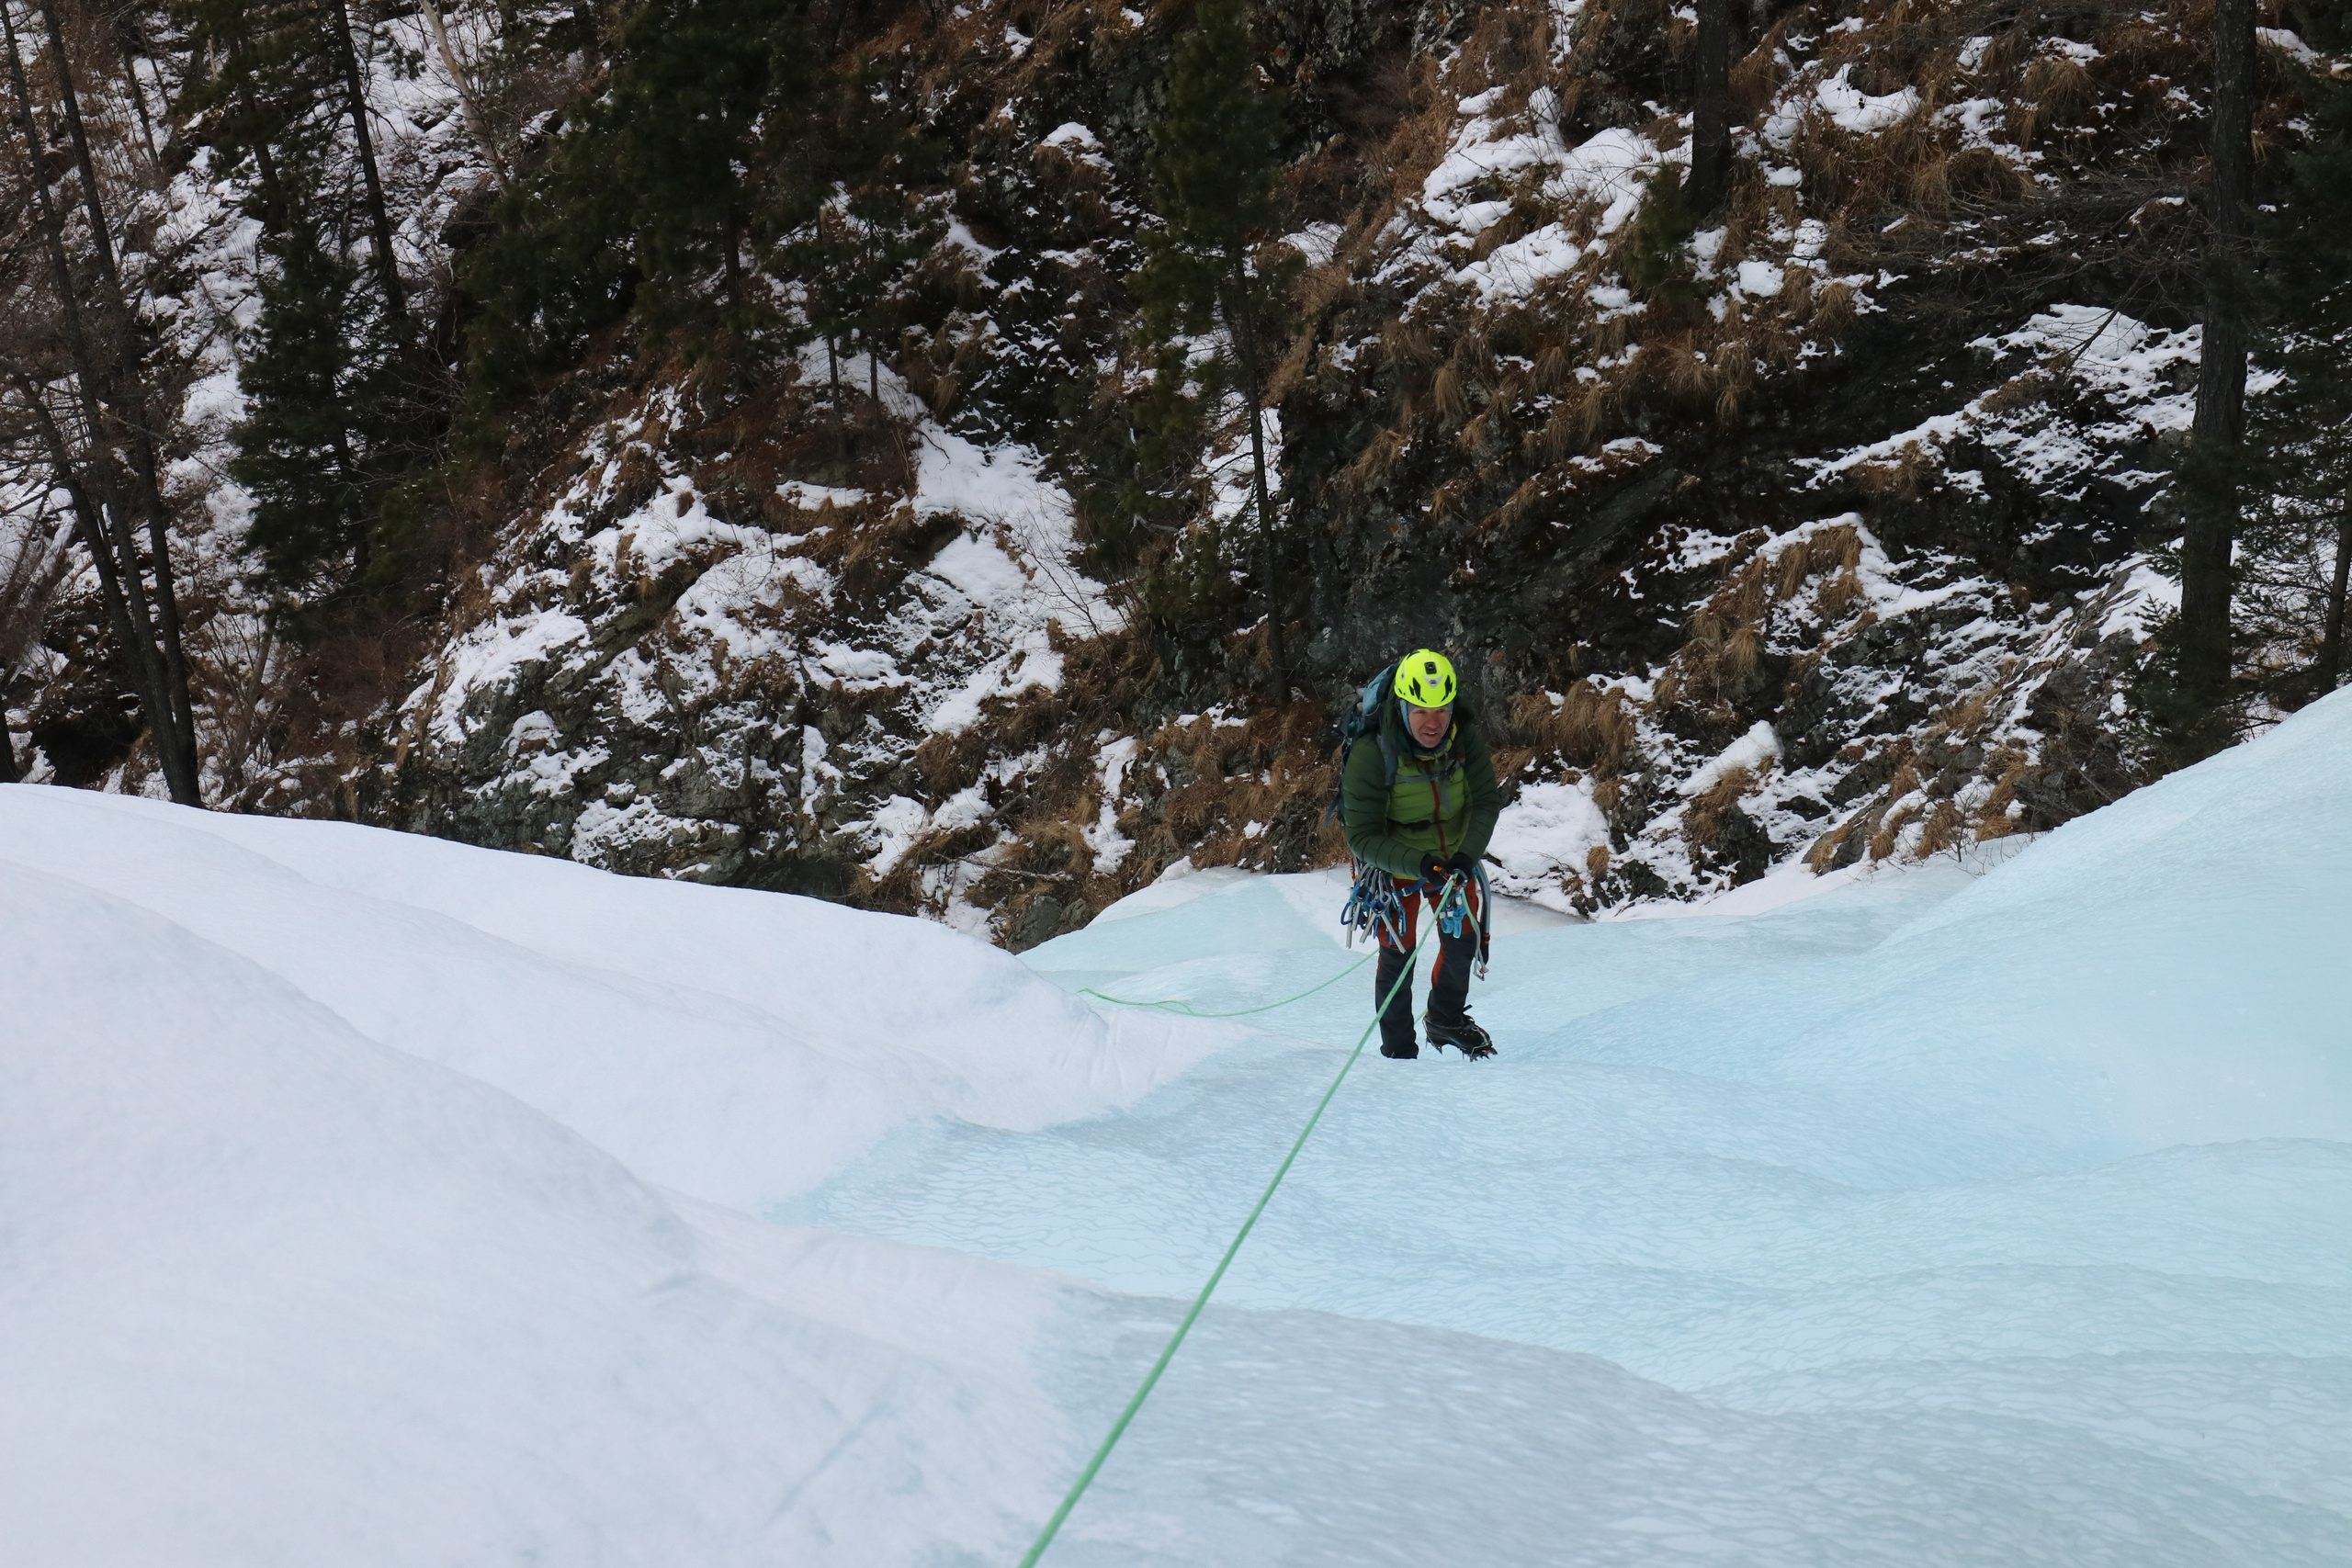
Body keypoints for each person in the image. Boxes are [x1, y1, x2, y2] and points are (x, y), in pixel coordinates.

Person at [1340, 649, 1501, 1059]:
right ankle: (1398, 1052)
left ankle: (1445, 1019)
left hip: (1452, 862)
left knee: (1462, 941)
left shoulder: (1463, 736)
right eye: (1421, 712)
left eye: (1442, 710)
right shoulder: (1372, 752)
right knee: (1398, 955)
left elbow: (1485, 801)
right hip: (1393, 868)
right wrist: (1420, 865)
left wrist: (1466, 856)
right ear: (1402, 707)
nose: (1434, 723)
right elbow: (1361, 836)